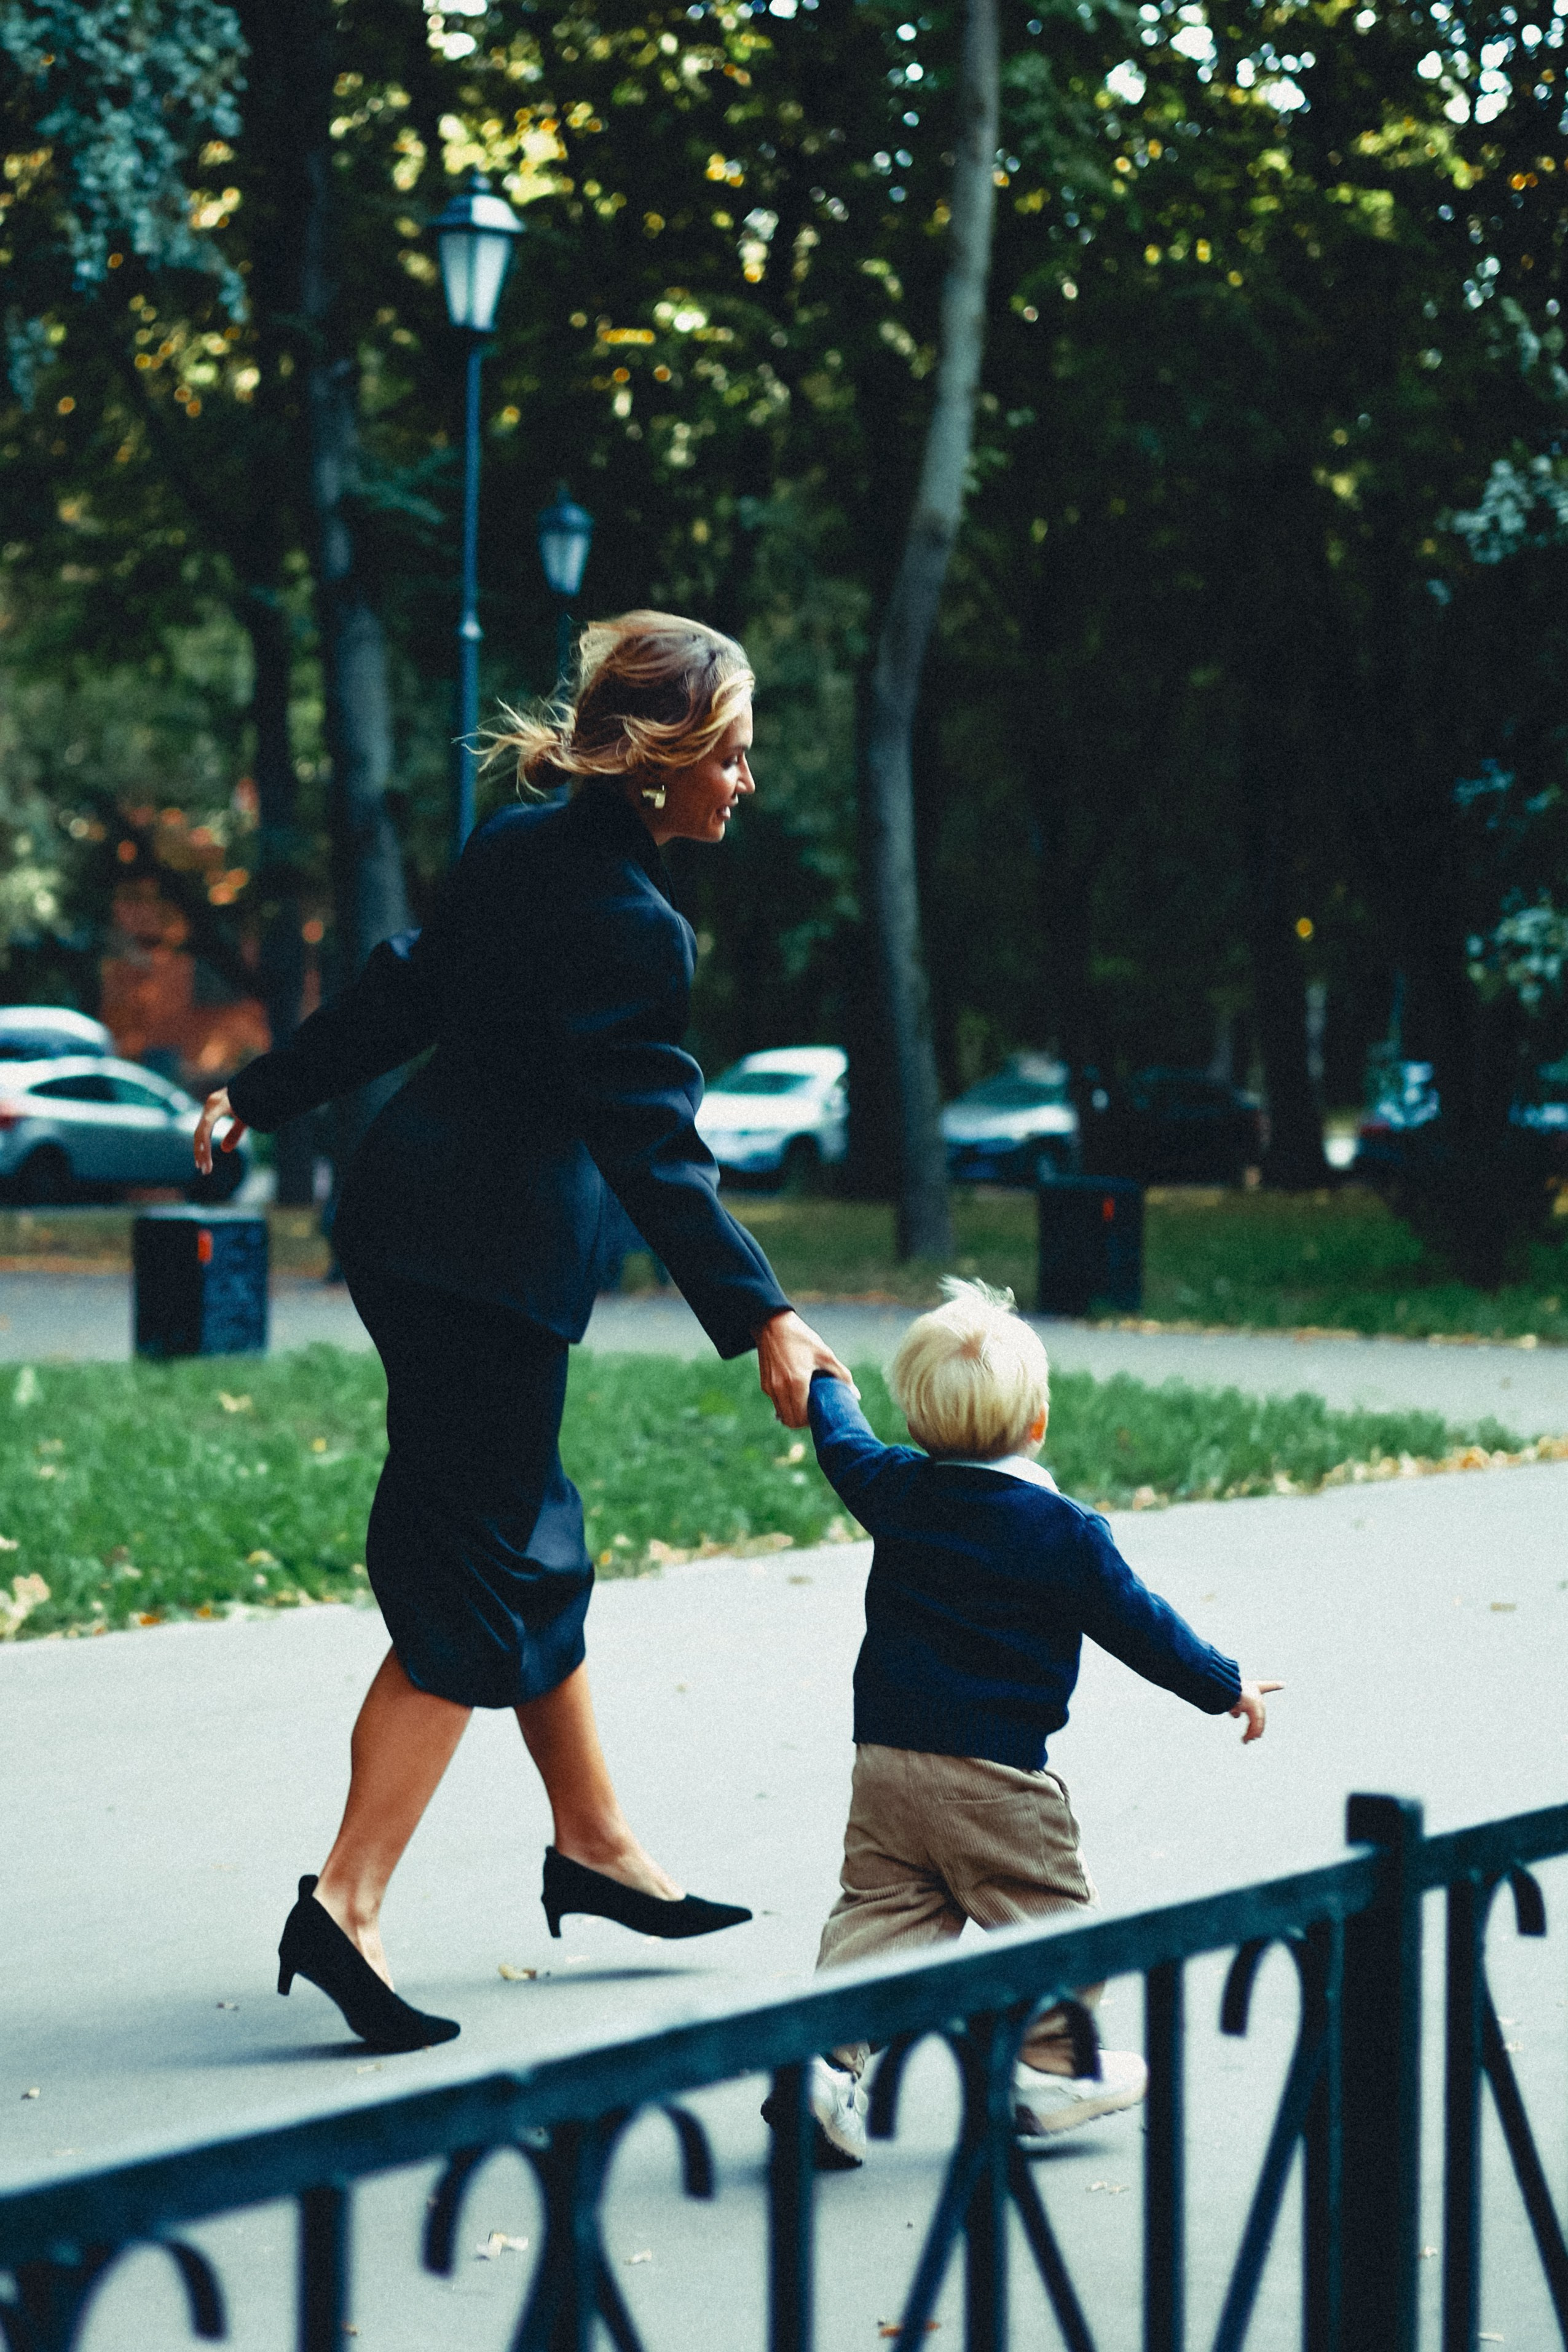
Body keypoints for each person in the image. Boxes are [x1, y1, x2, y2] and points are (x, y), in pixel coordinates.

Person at [195, 612, 853, 2054]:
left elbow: (402, 987)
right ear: (658, 766)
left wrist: (260, 1088)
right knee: (473, 1576)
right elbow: (656, 1154)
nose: (745, 781)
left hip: (418, 1232)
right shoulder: (634, 927)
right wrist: (769, 1321)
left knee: (522, 1535)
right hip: (485, 1267)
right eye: (729, 756)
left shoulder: (517, 845)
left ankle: (596, 1843)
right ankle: (348, 1900)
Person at [794, 1280, 1280, 2166]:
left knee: (883, 1912)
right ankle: (1050, 2068)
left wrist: (827, 1380)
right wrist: (1226, 1683)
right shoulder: (1063, 1532)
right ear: (1040, 1423)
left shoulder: (897, 1486)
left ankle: (821, 2069)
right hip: (996, 1781)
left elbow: (842, 1446)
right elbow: (1144, 1627)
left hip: (887, 1763)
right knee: (1054, 1919)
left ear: (921, 1421)